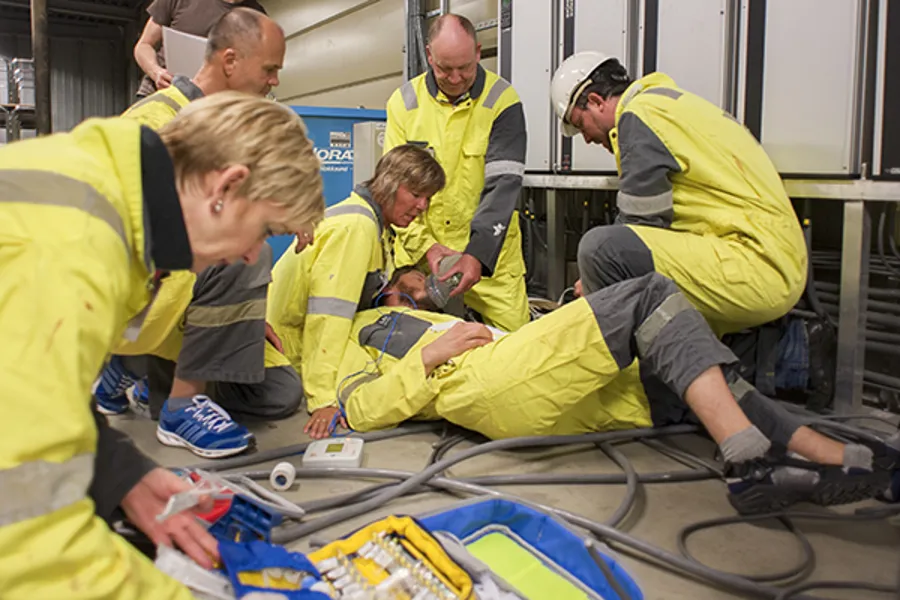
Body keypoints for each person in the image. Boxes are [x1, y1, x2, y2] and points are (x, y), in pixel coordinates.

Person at [0, 92, 323, 598]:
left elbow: (27, 399)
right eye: (264, 230)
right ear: (227, 186)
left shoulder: (102, 191)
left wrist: (118, 472)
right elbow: (26, 535)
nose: (252, 254)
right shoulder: (77, 247)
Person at [327, 268, 895, 515]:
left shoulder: (434, 315)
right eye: (408, 288)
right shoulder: (362, 329)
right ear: (384, 296)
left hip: (538, 381)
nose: (421, 293)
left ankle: (846, 462)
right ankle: (747, 459)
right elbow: (360, 408)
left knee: (704, 376)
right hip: (493, 377)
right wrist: (431, 352)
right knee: (649, 295)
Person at [93, 9, 303, 460]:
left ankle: (127, 370)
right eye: (270, 70)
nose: (274, 83)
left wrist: (242, 316)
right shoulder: (155, 122)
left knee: (280, 392)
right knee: (252, 255)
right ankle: (179, 407)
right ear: (231, 61)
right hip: (130, 306)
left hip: (168, 306)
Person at [549, 52, 807, 337]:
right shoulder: (666, 105)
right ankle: (710, 379)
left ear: (596, 101)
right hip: (771, 259)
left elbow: (641, 225)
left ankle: (625, 381)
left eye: (581, 124)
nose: (586, 139)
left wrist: (593, 280)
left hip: (753, 263)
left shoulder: (638, 116)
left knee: (601, 250)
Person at [267, 144, 445, 439]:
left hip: (303, 337)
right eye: (416, 195)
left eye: (428, 198)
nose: (423, 206)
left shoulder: (376, 225)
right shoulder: (356, 227)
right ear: (389, 185)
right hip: (289, 345)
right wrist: (322, 398)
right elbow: (327, 317)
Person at [383, 13, 530, 333]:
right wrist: (425, 248)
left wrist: (477, 255)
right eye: (444, 68)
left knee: (516, 348)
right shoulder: (404, 103)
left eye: (464, 67)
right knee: (415, 346)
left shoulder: (502, 101)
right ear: (428, 55)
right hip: (420, 259)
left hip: (491, 261)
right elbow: (395, 189)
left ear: (478, 52)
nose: (454, 77)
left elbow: (502, 187)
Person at [134, 0, 267, 99]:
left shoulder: (257, 16)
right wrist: (156, 72)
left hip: (213, 106)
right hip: (161, 94)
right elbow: (144, 46)